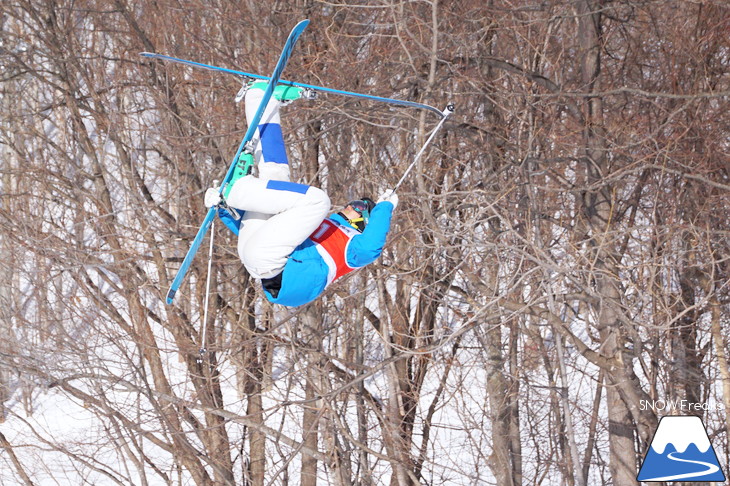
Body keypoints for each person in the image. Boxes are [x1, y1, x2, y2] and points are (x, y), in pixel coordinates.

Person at [205, 82, 398, 307]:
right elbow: (269, 233)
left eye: (359, 207)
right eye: (355, 202)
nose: (351, 205)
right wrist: (226, 211)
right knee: (276, 176)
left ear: (363, 223)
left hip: (276, 266)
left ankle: (236, 190)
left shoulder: (352, 248)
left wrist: (385, 208)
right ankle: (261, 99)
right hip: (259, 254)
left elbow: (371, 246)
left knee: (318, 200)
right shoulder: (318, 229)